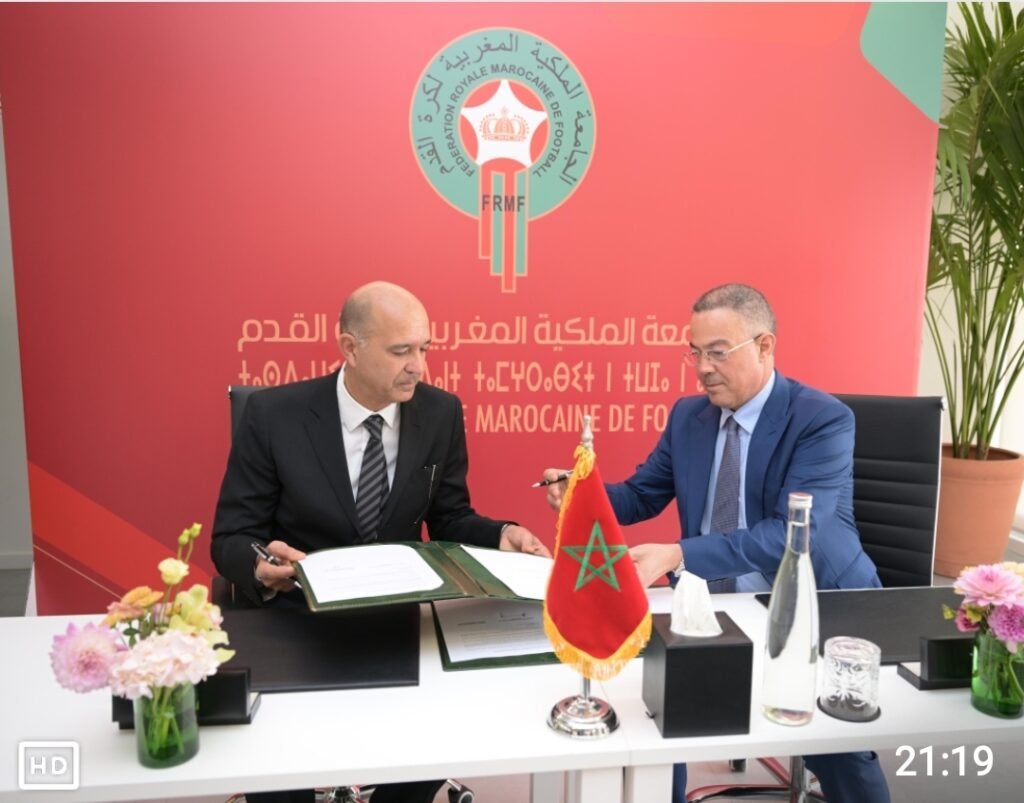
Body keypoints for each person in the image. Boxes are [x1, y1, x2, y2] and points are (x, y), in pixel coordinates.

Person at [543, 283, 889, 803]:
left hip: (813, 604)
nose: (702, 368)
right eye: (695, 353)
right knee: (663, 724)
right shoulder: (690, 417)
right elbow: (641, 495)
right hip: (710, 605)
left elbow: (792, 534)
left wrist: (680, 554)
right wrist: (582, 493)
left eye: (718, 353)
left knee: (838, 749)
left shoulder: (822, 419)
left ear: (765, 347)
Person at [213, 280, 550, 803]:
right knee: (278, 779)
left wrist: (501, 534)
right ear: (350, 348)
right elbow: (232, 538)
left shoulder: (439, 413)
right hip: (298, 618)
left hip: (399, 618)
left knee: (432, 743)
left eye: (425, 349)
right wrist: (261, 567)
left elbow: (449, 518)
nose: (419, 366)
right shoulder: (275, 416)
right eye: (401, 351)